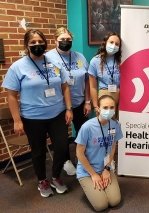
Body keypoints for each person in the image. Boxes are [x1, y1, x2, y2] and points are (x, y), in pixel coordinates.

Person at [1, 29, 72, 197]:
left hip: (57, 114)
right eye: (32, 42)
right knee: (38, 151)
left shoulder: (55, 62)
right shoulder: (17, 67)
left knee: (62, 148)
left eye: (40, 41)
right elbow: (11, 95)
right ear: (27, 45)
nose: (37, 45)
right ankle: (42, 181)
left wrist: (69, 108)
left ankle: (55, 176)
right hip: (33, 118)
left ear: (46, 42)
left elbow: (65, 86)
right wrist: (17, 120)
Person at [46, 27, 91, 176]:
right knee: (62, 138)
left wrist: (87, 101)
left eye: (68, 40)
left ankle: (82, 157)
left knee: (83, 132)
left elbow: (87, 80)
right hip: (59, 106)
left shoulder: (79, 57)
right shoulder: (48, 57)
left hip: (79, 103)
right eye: (62, 40)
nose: (65, 42)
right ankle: (65, 161)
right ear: (55, 40)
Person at [76, 95, 122, 212]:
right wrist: (93, 174)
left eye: (112, 107)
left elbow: (112, 147)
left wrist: (107, 169)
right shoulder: (87, 127)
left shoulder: (115, 125)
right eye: (105, 107)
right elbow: (79, 153)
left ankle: (100, 186)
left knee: (115, 201)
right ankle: (89, 186)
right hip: (87, 171)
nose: (109, 110)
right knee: (101, 206)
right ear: (98, 109)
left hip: (105, 168)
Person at [88, 32, 122, 116]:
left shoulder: (121, 60)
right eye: (111, 42)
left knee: (117, 125)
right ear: (105, 43)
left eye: (117, 44)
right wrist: (95, 106)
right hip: (104, 96)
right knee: (104, 124)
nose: (114, 46)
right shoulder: (95, 61)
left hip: (120, 96)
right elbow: (92, 87)